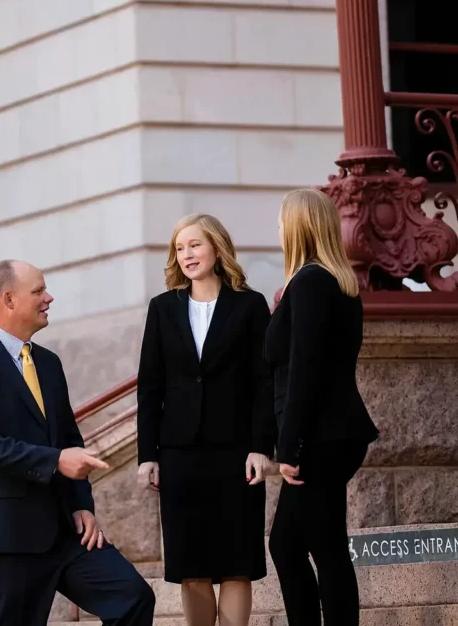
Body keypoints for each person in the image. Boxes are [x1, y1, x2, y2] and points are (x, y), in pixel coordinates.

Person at [0, 259, 156, 626]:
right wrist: (56, 461)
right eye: (38, 291)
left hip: (63, 531)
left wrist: (82, 504)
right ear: (8, 299)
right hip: (4, 537)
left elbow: (69, 439)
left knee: (132, 596)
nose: (49, 297)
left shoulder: (49, 363)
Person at [136, 213, 275, 626]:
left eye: (194, 245)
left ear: (216, 246)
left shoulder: (250, 305)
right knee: (191, 565)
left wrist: (261, 447)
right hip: (179, 455)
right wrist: (148, 455)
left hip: (236, 455)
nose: (186, 255)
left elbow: (264, 384)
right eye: (180, 248)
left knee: (237, 564)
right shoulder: (162, 309)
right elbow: (149, 387)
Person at [266, 188, 379, 625]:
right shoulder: (335, 281)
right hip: (331, 434)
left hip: (319, 438)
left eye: (280, 221)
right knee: (299, 545)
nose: (277, 230)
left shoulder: (312, 282)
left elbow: (305, 370)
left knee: (317, 547)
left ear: (297, 227)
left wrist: (289, 448)